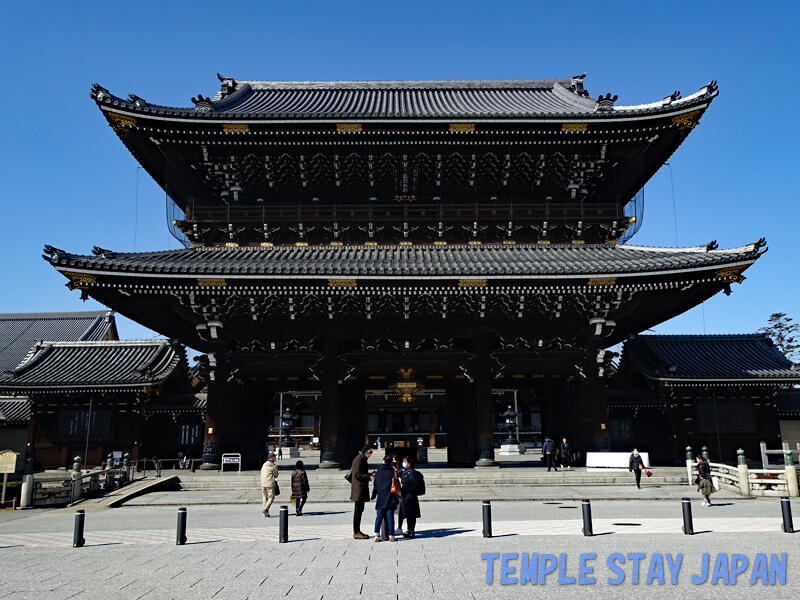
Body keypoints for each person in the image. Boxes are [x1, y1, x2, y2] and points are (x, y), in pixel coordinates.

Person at [371, 455, 399, 542]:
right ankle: (391, 535)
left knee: (379, 517)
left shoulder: (378, 471)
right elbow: (396, 482)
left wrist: (373, 495)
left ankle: (376, 535)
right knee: (390, 517)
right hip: (390, 496)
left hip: (381, 497)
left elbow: (375, 484)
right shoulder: (392, 471)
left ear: (383, 461)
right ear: (391, 462)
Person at [396, 456, 423, 538]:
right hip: (406, 496)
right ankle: (409, 530)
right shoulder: (406, 472)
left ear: (409, 463)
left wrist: (404, 485)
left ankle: (411, 530)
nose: (403, 463)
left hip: (410, 496)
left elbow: (413, 485)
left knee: (411, 514)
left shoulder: (412, 473)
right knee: (408, 513)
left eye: (405, 462)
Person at [350, 444, 374, 539]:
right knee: (358, 511)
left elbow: (361, 472)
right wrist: (368, 477)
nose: (371, 454)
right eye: (370, 451)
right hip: (358, 489)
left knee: (360, 510)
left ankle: (358, 530)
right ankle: (356, 532)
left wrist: (371, 474)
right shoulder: (359, 459)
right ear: (365, 451)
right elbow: (356, 474)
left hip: (361, 489)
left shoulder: (362, 458)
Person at [260, 452, 279, 517]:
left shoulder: (264, 464)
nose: (276, 457)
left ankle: (265, 511)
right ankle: (266, 508)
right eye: (275, 456)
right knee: (271, 497)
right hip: (270, 484)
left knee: (265, 498)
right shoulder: (273, 466)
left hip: (263, 483)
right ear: (272, 457)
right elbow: (276, 475)